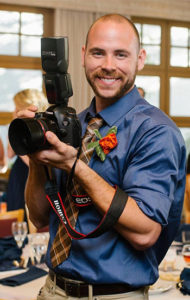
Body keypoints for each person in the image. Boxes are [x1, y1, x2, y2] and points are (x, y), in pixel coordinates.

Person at [18, 14, 186, 300]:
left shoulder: (155, 131)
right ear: (83, 56)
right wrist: (36, 158)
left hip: (114, 295)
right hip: (52, 289)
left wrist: (74, 165)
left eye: (121, 54)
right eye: (98, 53)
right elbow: (38, 216)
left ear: (140, 59)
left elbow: (144, 233)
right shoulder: (74, 125)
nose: (108, 66)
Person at [1, 89, 49, 217]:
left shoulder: (39, 131)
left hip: (30, 175)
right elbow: (10, 154)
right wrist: (14, 130)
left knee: (28, 215)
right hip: (18, 173)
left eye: (16, 108)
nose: (13, 112)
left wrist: (21, 148)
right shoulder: (18, 128)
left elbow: (33, 163)